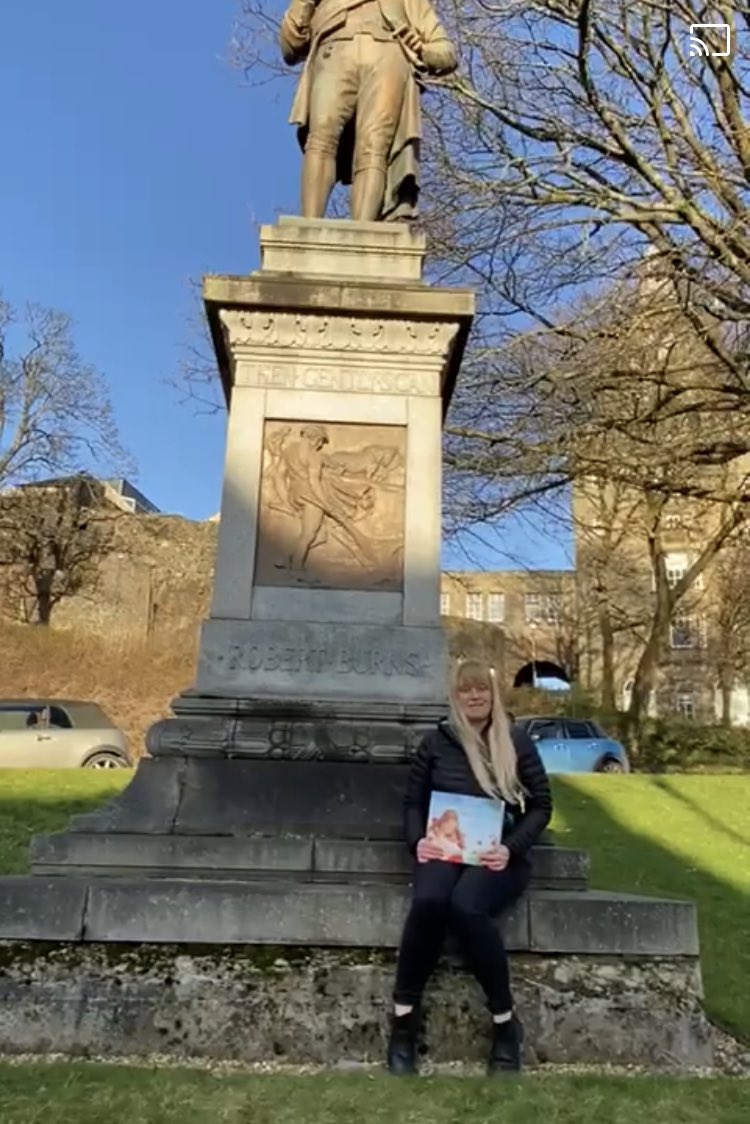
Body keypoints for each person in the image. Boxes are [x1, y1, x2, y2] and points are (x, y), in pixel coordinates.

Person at [387, 658, 553, 1076]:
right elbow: (412, 802)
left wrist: (511, 849)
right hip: (444, 849)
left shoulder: (516, 741)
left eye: (482, 689)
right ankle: (403, 1022)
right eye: (466, 689)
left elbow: (541, 806)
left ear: (493, 695)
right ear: (455, 697)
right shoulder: (436, 742)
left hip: (497, 855)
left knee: (466, 906)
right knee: (429, 901)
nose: (475, 696)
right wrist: (418, 841)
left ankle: (504, 1024)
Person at [279, 0, 457, 221]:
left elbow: (446, 53)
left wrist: (422, 48)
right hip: (334, 51)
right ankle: (309, 226)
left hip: (389, 56)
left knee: (374, 148)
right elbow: (290, 45)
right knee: (321, 136)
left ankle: (364, 231)